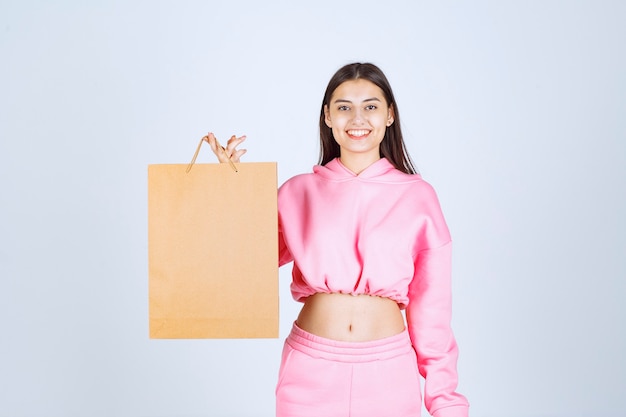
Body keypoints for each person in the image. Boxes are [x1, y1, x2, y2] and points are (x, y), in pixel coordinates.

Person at [206, 63, 469, 417]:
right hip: (309, 373)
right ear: (328, 116)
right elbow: (244, 261)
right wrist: (232, 188)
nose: (357, 118)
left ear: (390, 115)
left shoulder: (418, 196)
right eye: (344, 107)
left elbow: (433, 311)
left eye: (371, 106)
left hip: (388, 376)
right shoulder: (298, 192)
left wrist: (445, 403)